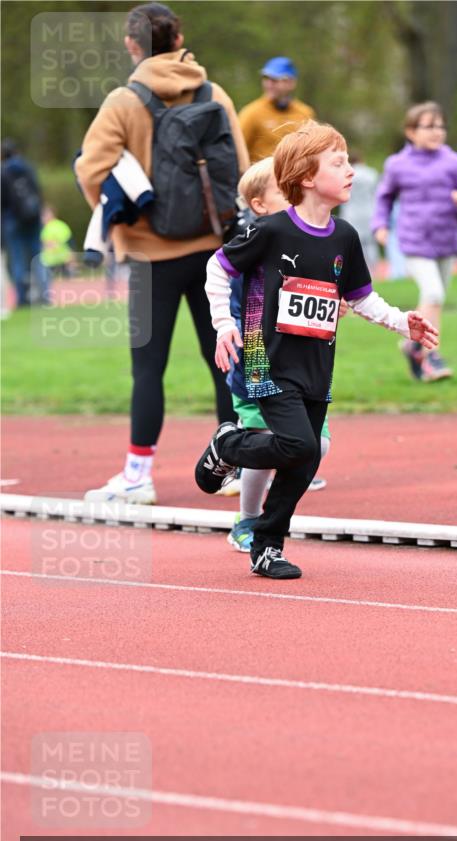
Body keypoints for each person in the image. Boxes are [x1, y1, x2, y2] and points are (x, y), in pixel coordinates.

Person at [194, 120, 438, 579]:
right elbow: (217, 267)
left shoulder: (344, 236)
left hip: (315, 363)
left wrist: (402, 322)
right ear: (307, 177)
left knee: (307, 454)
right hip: (264, 356)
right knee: (300, 444)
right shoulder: (270, 231)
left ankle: (266, 545)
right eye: (338, 163)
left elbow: (361, 297)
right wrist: (224, 324)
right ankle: (228, 445)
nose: (350, 171)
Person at [75, 2, 249, 504]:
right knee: (224, 358)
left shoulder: (124, 101)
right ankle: (235, 463)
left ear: (132, 45)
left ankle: (137, 475)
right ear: (179, 39)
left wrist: (126, 217)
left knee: (149, 367)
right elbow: (238, 167)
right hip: (216, 250)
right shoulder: (215, 94)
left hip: (152, 256)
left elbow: (92, 170)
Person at [225, 156, 333, 552]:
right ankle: (248, 519)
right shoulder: (255, 241)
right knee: (266, 438)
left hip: (305, 366)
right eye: (282, 192)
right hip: (258, 364)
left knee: (317, 445)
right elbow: (231, 290)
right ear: (259, 205)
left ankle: (267, 515)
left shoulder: (313, 237)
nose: (294, 198)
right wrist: (229, 329)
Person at [371, 101, 457, 382]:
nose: (437, 132)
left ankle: (412, 345)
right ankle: (430, 354)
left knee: (435, 301)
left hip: (446, 243)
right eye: (428, 126)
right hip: (414, 242)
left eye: (440, 126)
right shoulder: (397, 164)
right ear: (411, 131)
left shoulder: (453, 162)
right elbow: (383, 197)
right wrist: (380, 226)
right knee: (433, 294)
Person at [1, 138, 49, 307]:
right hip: (33, 219)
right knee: (38, 257)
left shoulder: (2, 172)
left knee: (18, 259)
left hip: (12, 222)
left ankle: (22, 299)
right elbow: (38, 191)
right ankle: (45, 296)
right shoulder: (28, 168)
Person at [238, 57, 315, 164]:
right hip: (261, 178)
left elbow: (312, 152)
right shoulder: (251, 112)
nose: (269, 84)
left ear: (291, 83)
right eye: (266, 78)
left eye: (275, 80)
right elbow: (237, 151)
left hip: (294, 177)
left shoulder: (305, 113)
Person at [338, 152, 380, 274]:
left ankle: (359, 272)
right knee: (371, 243)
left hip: (351, 212)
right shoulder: (371, 173)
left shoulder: (346, 174)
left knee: (354, 244)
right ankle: (374, 271)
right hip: (369, 211)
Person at [40, 206, 74, 280]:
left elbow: (70, 243)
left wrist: (71, 258)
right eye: (42, 215)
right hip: (48, 262)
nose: (43, 217)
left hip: (63, 260)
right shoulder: (42, 228)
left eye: (45, 215)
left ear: (52, 214)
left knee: (67, 284)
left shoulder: (60, 225)